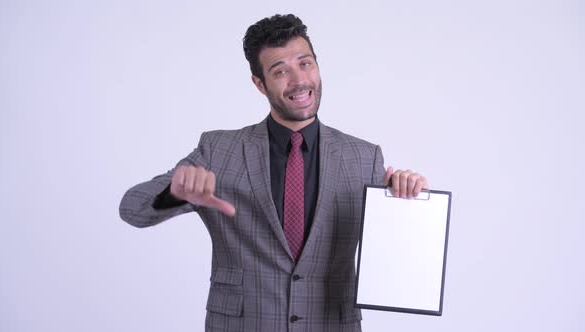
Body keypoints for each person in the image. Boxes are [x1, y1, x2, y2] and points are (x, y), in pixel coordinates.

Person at [119, 14, 427, 332]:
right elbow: (132, 209)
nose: (298, 81)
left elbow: (398, 259)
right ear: (259, 83)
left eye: (305, 64)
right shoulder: (218, 151)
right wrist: (174, 194)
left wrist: (409, 201)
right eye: (280, 71)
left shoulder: (364, 157)